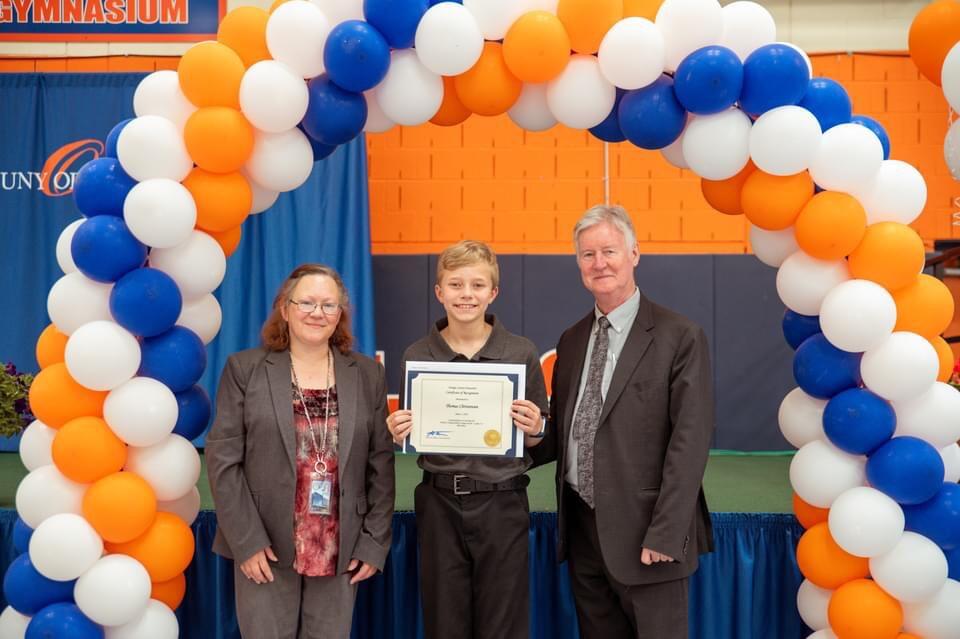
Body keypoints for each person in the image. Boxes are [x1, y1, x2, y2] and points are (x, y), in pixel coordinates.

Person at [532, 205, 715, 639]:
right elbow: (571, 432)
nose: (599, 263)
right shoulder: (572, 340)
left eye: (609, 251)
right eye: (588, 254)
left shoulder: (679, 336)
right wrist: (534, 432)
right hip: (583, 533)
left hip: (648, 535)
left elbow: (690, 441)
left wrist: (666, 533)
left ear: (634, 253)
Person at [206, 264, 395, 639]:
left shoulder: (367, 374)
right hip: (266, 547)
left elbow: (381, 465)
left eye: (329, 305)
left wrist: (373, 544)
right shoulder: (245, 369)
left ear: (339, 314)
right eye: (306, 302)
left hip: (340, 545)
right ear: (285, 308)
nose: (317, 313)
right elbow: (223, 461)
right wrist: (247, 542)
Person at [386, 240, 548, 639]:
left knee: (503, 624)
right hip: (439, 502)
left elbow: (535, 440)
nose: (466, 294)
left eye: (477, 285)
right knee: (444, 622)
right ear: (439, 292)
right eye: (455, 285)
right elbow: (413, 435)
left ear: (493, 292)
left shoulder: (521, 353)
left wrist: (535, 429)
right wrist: (398, 431)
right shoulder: (417, 355)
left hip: (503, 501)